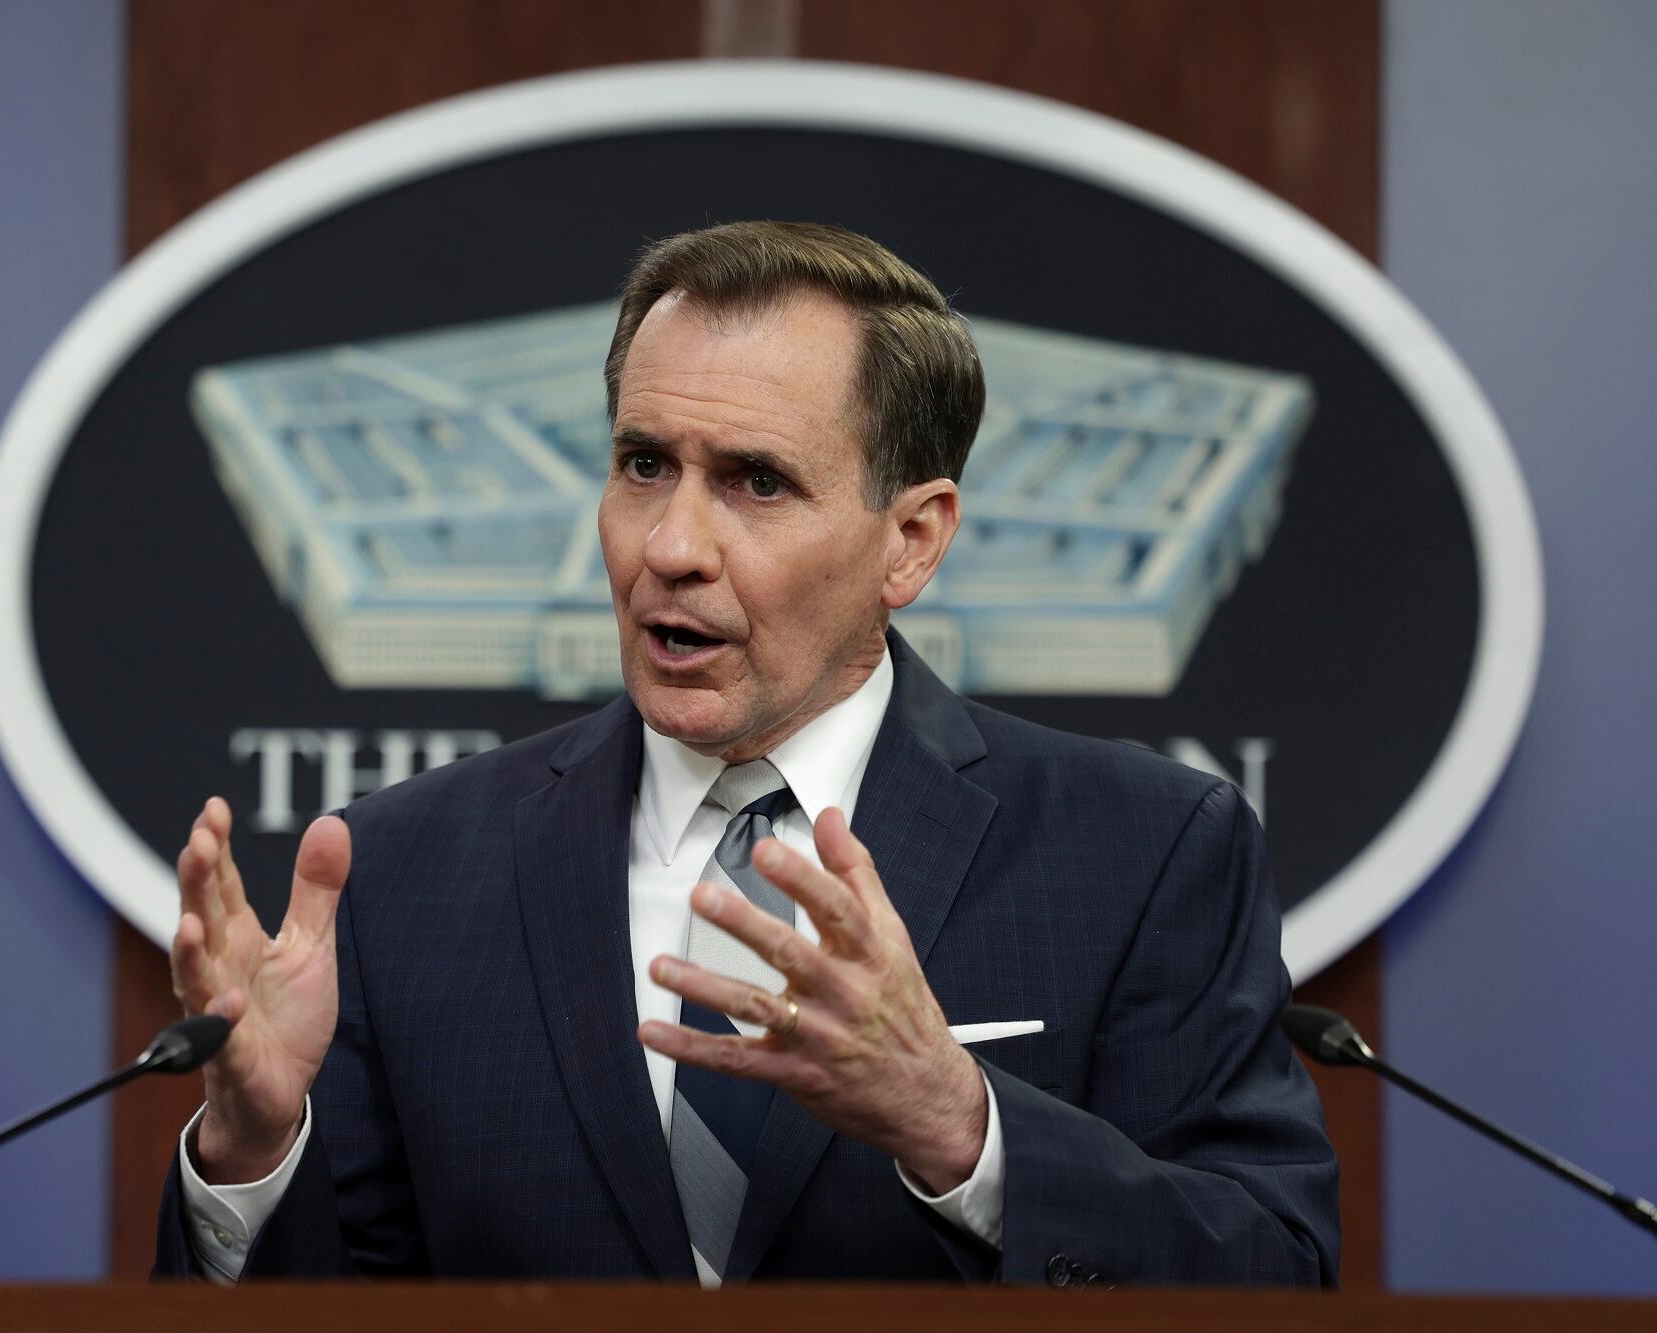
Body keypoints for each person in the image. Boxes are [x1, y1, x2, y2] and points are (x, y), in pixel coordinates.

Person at [153, 221, 1339, 1286]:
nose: (669, 545)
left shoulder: (1139, 852)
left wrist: (959, 1123)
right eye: (643, 465)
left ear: (910, 542)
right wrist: (253, 1153)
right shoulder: (402, 873)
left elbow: (1272, 1278)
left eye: (755, 482)